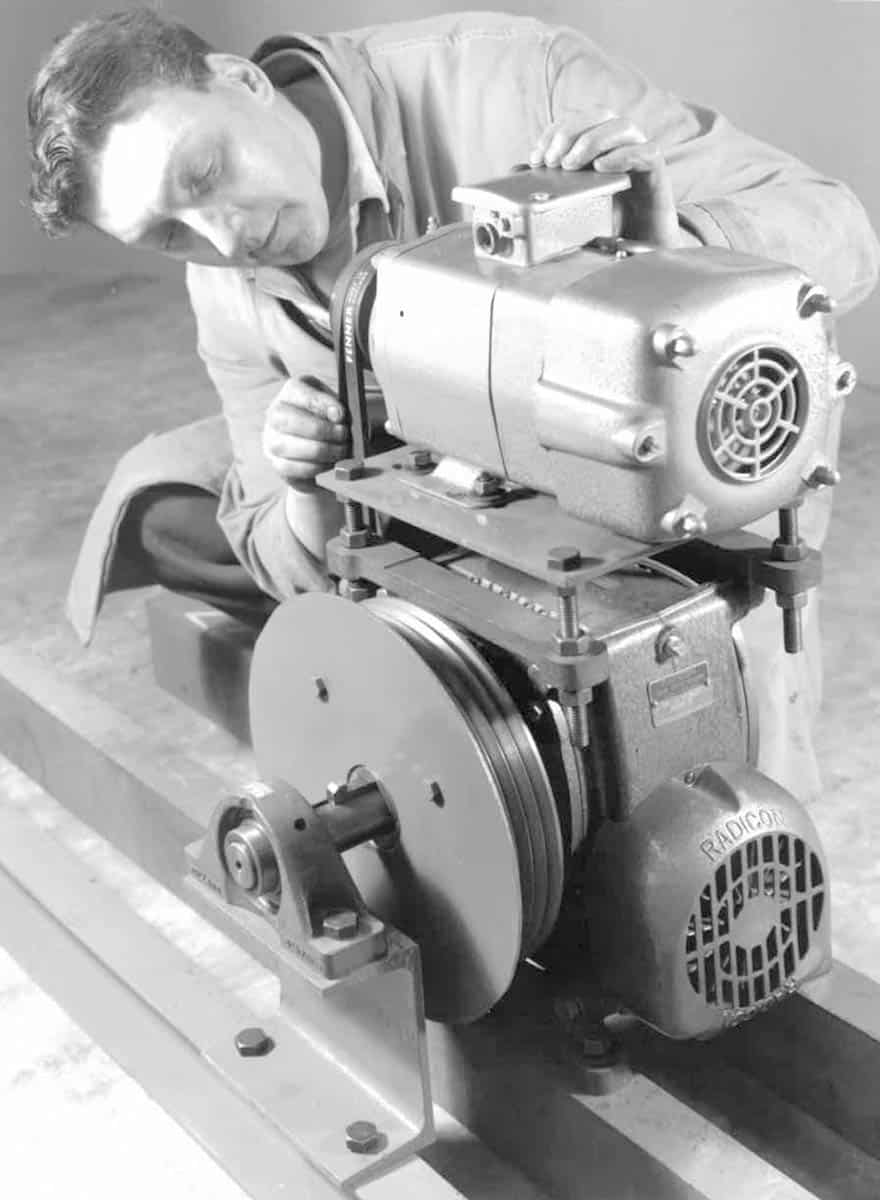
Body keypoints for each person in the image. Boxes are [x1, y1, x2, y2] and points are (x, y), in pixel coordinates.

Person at [27, 8, 879, 801]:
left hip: (673, 491)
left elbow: (841, 236)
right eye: (169, 234)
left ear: (242, 82)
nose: (226, 236)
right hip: (462, 505)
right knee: (164, 502)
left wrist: (669, 265)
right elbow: (294, 566)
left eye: (206, 172)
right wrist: (304, 483)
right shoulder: (225, 288)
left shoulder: (513, 85)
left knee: (729, 770)